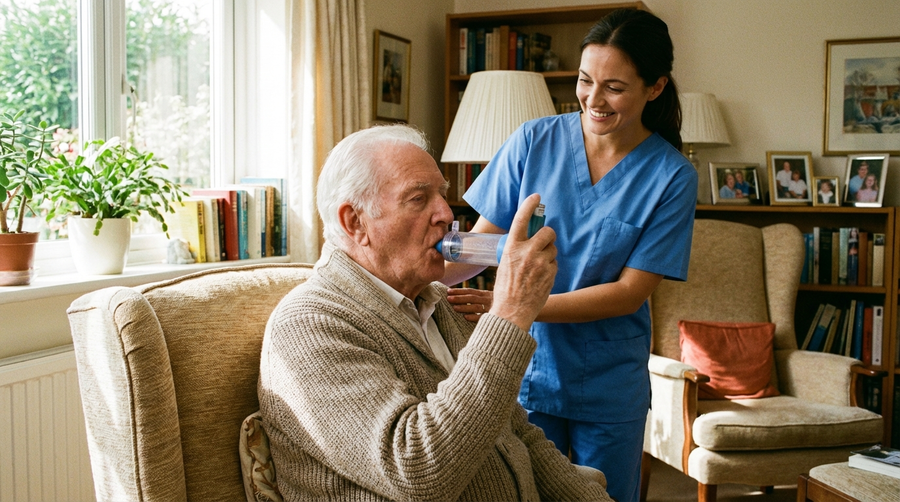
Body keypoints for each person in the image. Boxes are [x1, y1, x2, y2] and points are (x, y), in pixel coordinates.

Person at [258, 124, 613, 502]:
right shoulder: (309, 326)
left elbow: (518, 435)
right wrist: (509, 313)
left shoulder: (437, 303)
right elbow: (420, 471)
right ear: (355, 222)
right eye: (417, 199)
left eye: (441, 195)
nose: (446, 214)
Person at [443, 9, 696, 502]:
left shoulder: (672, 177)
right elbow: (485, 244)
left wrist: (517, 306)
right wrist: (416, 271)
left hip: (608, 388)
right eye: (585, 81)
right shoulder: (533, 140)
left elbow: (629, 293)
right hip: (526, 373)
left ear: (655, 87)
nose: (593, 100)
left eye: (614, 87)